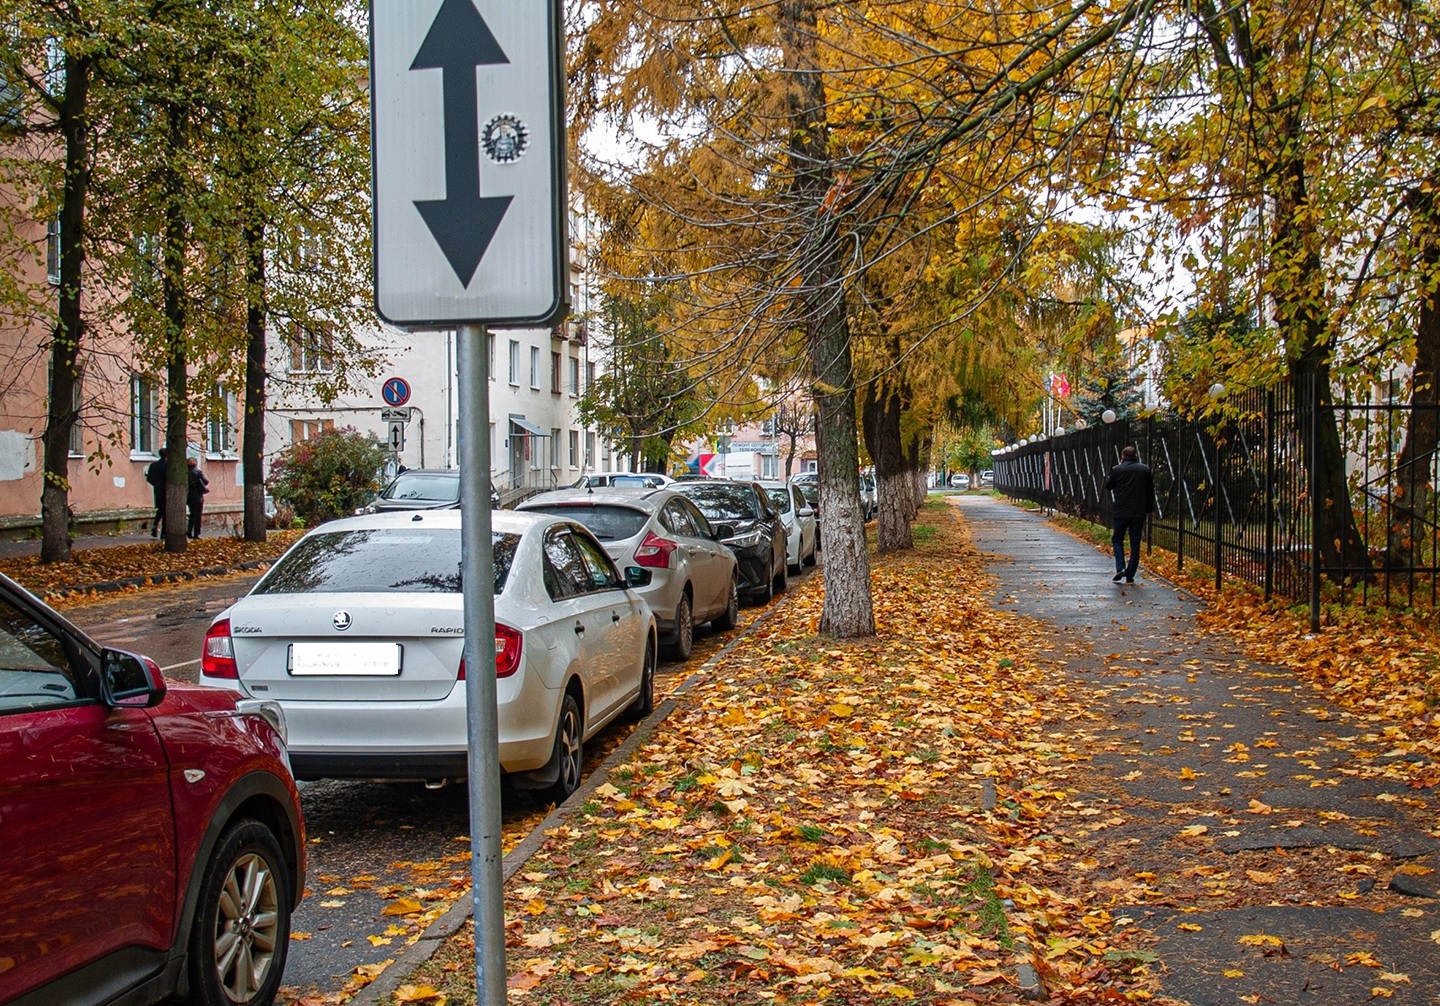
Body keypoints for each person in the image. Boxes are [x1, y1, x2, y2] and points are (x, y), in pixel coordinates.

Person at [1105, 445, 1154, 584]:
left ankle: (1120, 567)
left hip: (1121, 512)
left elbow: (1108, 486)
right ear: (1136, 456)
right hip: (1138, 512)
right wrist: (1148, 508)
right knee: (1135, 543)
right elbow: (1150, 491)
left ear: (1122, 457)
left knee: (1117, 540)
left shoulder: (1117, 470)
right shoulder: (1144, 470)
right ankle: (1130, 574)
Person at [144, 447, 168, 538]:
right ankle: (164, 532)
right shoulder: (168, 465)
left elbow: (149, 478)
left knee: (161, 509)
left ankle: (155, 525)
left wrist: (156, 485)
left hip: (157, 490)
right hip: (167, 490)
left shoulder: (153, 465)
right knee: (166, 511)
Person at [186, 457, 209, 540]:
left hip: (188, 496)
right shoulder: (198, 472)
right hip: (197, 496)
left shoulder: (185, 472)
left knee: (192, 514)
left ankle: (189, 530)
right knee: (197, 516)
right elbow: (206, 482)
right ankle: (197, 533)